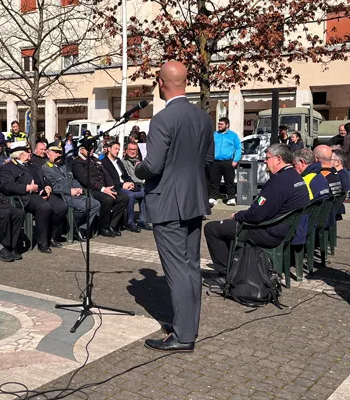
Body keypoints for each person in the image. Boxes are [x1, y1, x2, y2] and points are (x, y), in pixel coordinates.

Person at [135, 61, 214, 353]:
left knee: (178, 270)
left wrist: (137, 170)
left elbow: (153, 165)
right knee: (191, 266)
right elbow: (207, 162)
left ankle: (183, 335)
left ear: (160, 82)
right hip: (194, 199)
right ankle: (186, 324)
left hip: (168, 201)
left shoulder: (163, 119)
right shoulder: (204, 118)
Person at [204, 143, 309, 278]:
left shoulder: (278, 182)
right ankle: (237, 264)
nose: (265, 161)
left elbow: (256, 214)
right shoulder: (295, 176)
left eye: (267, 158)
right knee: (227, 227)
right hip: (288, 229)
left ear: (278, 159)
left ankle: (228, 274)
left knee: (212, 228)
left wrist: (238, 215)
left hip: (270, 232)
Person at [0, 141, 68, 253]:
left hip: (42, 192)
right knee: (44, 207)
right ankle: (42, 242)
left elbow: (45, 178)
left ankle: (49, 234)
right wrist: (27, 188)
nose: (30, 153)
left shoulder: (33, 165)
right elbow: (7, 186)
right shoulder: (8, 168)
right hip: (25, 196)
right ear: (20, 154)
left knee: (61, 207)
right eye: (27, 151)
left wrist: (48, 187)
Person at [72, 137, 129, 237]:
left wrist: (111, 187)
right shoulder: (77, 162)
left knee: (124, 198)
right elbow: (86, 180)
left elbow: (106, 175)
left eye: (92, 149)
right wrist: (103, 189)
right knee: (108, 199)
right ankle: (103, 227)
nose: (90, 151)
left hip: (104, 188)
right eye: (87, 149)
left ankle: (112, 225)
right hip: (91, 190)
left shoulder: (95, 159)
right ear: (81, 149)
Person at [42, 141, 99, 241]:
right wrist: (70, 191)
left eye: (60, 152)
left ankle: (81, 228)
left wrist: (79, 188)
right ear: (48, 153)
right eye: (55, 152)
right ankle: (71, 229)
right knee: (83, 207)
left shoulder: (63, 166)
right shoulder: (46, 169)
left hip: (74, 194)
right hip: (62, 196)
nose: (58, 155)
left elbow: (72, 179)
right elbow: (54, 186)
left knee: (95, 204)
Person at [101, 141, 147, 232]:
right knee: (130, 195)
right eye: (115, 149)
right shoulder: (104, 162)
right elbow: (109, 180)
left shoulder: (118, 161)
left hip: (125, 185)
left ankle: (142, 220)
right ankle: (130, 222)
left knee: (144, 192)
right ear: (109, 149)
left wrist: (130, 183)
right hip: (116, 187)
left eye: (118, 149)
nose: (117, 151)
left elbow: (126, 176)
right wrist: (123, 185)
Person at [290, 148, 330, 246]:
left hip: (307, 224)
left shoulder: (305, 181)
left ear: (302, 162)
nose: (293, 168)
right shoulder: (320, 177)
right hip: (320, 219)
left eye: (294, 164)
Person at [208, 117, 241, 206]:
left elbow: (238, 148)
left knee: (229, 181)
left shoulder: (233, 135)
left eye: (221, 124)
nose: (219, 126)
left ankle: (231, 198)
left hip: (228, 162)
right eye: (219, 124)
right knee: (214, 181)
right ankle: (213, 197)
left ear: (227, 125)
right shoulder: (214, 134)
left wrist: (235, 160)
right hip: (215, 162)